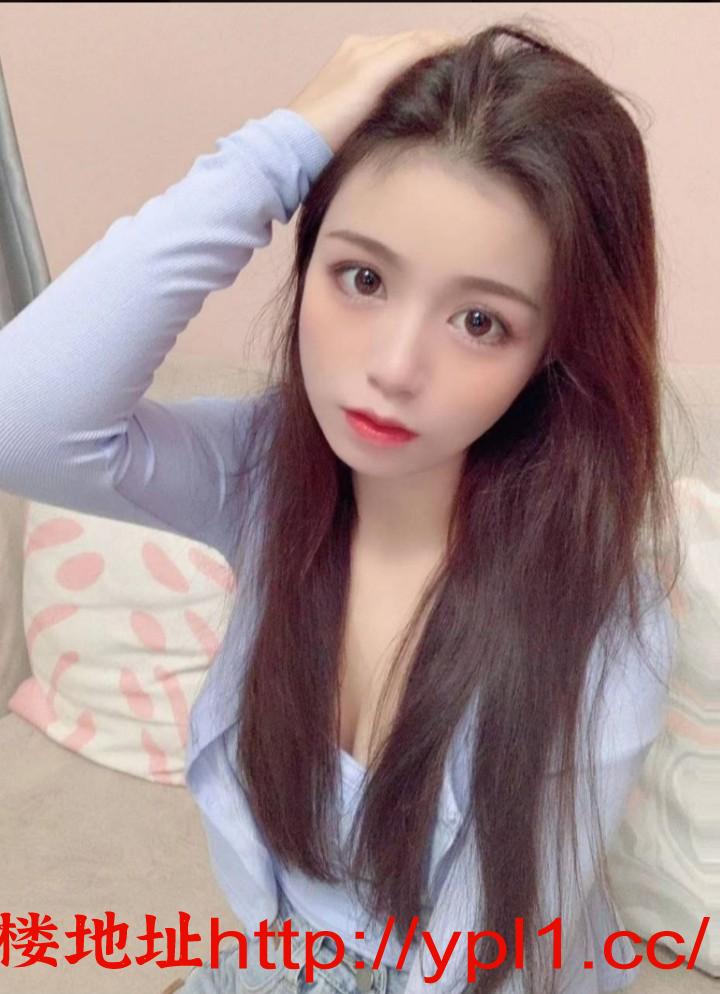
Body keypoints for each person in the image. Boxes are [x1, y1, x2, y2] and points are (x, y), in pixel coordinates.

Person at [0, 20, 685, 994]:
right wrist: (276, 151)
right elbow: (22, 420)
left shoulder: (601, 630)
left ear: (553, 354)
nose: (393, 368)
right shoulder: (263, 477)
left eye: (480, 320)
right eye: (362, 277)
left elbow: (483, 967)